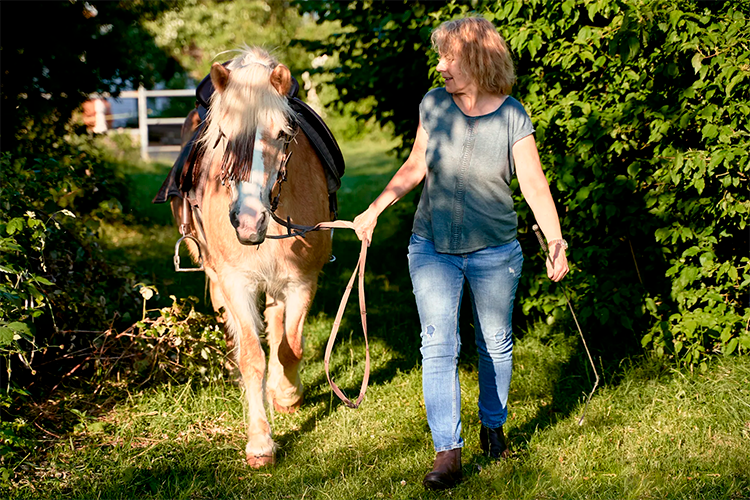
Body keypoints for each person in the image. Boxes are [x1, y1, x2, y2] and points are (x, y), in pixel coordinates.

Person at [352, 17, 569, 490]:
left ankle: (493, 426)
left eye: (449, 58)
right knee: (438, 344)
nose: (441, 66)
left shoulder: (512, 114)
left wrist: (555, 241)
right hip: (432, 245)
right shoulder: (433, 104)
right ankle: (447, 451)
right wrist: (374, 210)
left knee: (495, 344)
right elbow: (416, 164)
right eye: (441, 57)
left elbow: (533, 183)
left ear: (476, 58)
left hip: (495, 250)